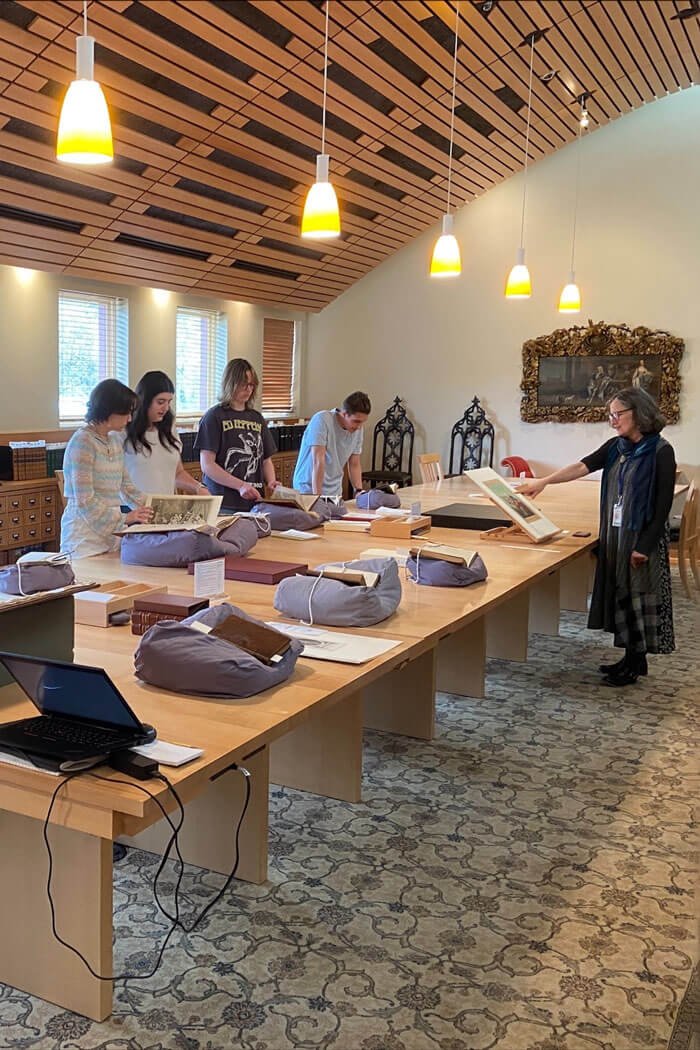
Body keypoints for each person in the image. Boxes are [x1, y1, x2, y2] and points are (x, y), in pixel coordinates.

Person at [520, 388, 675, 686]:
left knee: (638, 595)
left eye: (618, 414)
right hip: (616, 534)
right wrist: (544, 481)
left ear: (638, 414)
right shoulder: (616, 447)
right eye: (611, 415)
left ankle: (636, 660)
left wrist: (644, 545)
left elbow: (662, 505)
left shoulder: (660, 451)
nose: (612, 421)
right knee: (621, 593)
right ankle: (631, 659)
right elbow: (582, 466)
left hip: (642, 537)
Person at [61, 379, 153, 558]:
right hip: (83, 537)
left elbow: (127, 488)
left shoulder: (114, 440)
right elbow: (84, 500)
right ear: (110, 411)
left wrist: (156, 508)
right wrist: (126, 518)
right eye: (126, 412)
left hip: (111, 533)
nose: (129, 419)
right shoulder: (83, 442)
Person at [195, 358, 279, 513]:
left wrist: (272, 481)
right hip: (223, 504)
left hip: (254, 503)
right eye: (243, 384)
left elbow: (266, 459)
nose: (248, 389)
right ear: (231, 383)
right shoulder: (214, 417)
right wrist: (240, 485)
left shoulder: (257, 418)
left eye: (251, 385)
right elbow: (207, 465)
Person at [123, 371, 209, 496]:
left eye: (169, 402)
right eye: (160, 402)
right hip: (134, 510)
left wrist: (199, 488)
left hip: (164, 508)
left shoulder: (169, 428)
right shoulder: (123, 431)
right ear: (144, 400)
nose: (166, 408)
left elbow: (178, 473)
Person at [293, 391, 371, 497]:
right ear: (344, 414)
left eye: (362, 422)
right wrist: (317, 498)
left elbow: (354, 463)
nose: (359, 426)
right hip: (308, 489)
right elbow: (318, 461)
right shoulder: (322, 420)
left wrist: (358, 490)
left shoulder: (358, 429)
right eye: (356, 421)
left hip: (334, 492)